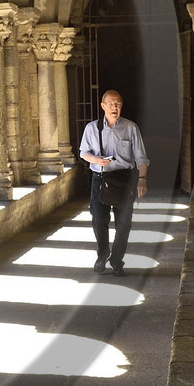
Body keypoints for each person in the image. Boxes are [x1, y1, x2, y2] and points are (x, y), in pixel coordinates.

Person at [78, 89, 149, 276]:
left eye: (118, 103)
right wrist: (95, 160)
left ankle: (117, 260)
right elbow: (83, 152)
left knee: (124, 224)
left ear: (121, 106)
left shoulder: (130, 128)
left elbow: (141, 157)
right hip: (100, 179)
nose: (114, 107)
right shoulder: (92, 128)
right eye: (110, 103)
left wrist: (142, 180)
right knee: (99, 221)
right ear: (103, 106)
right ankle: (102, 256)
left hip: (124, 179)